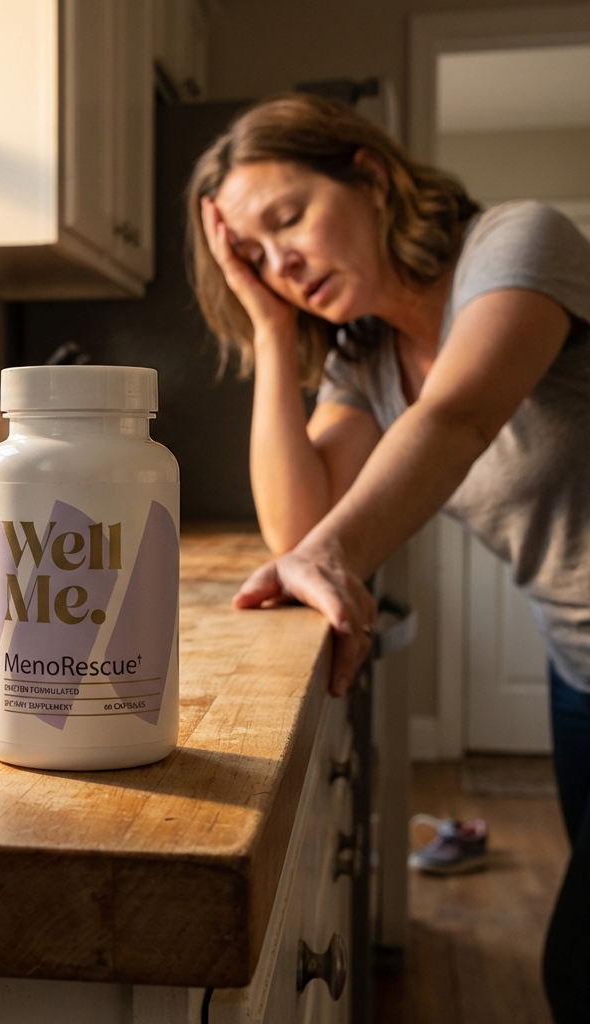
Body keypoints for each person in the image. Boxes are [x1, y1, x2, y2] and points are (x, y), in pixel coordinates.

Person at [187, 92, 590, 1022]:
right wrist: (271, 328)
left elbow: (458, 417)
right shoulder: (365, 360)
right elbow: (299, 532)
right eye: (255, 254)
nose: (281, 261)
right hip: (577, 664)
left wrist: (327, 557)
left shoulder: (518, 245)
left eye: (288, 219)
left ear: (368, 175)